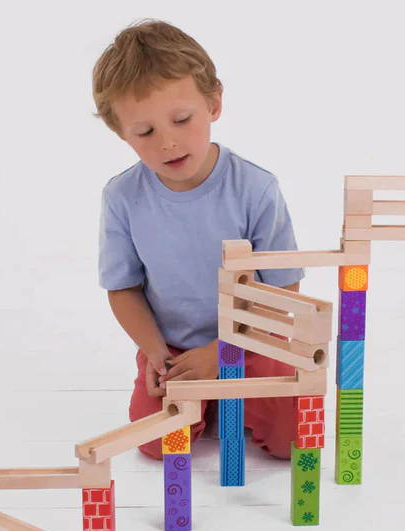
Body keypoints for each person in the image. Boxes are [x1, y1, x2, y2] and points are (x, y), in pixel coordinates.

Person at [92, 19, 304, 460]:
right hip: (174, 352)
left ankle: (234, 400)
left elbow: (283, 289)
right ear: (121, 133)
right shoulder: (122, 198)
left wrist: (223, 351)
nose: (168, 142)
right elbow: (123, 288)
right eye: (145, 132)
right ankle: (207, 402)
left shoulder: (256, 189)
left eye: (182, 119)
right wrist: (155, 354)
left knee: (295, 440)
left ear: (213, 103)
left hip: (253, 341)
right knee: (157, 447)